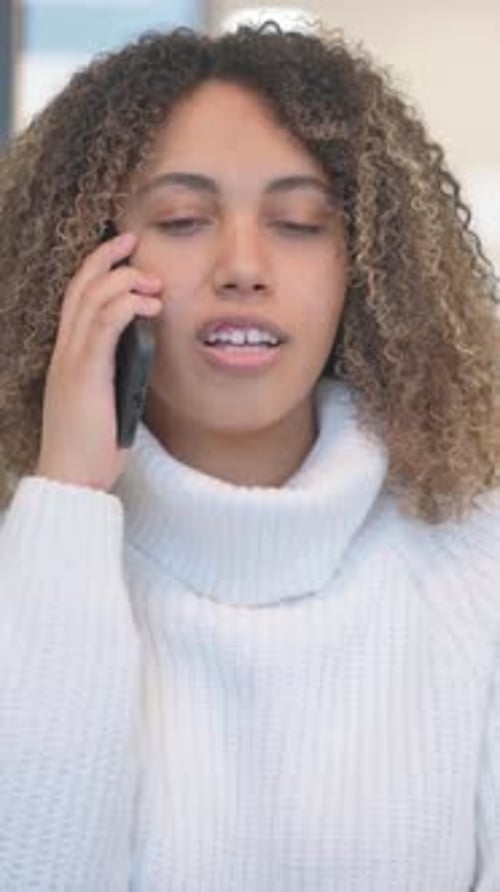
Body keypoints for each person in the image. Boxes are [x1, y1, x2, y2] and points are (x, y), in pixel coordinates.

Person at [0, 20, 498, 892]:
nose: (242, 265)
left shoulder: (476, 557)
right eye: (184, 219)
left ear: (368, 266)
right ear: (85, 258)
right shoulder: (30, 554)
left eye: (301, 223)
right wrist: (69, 497)